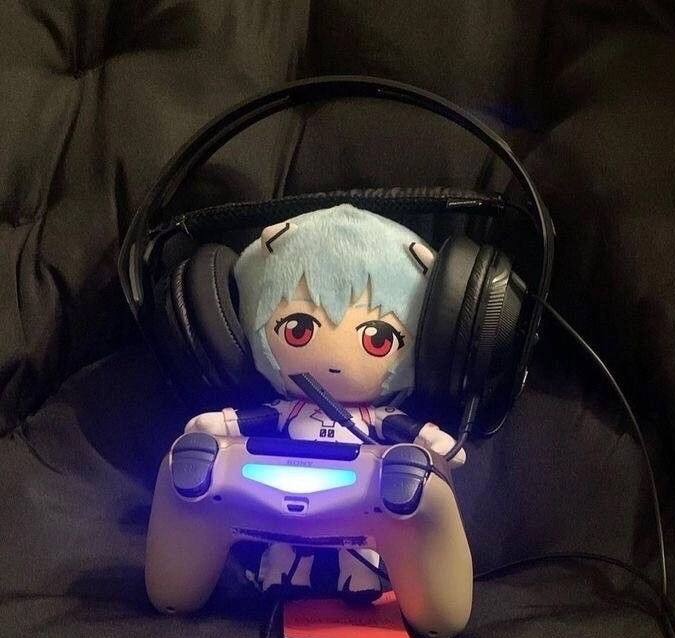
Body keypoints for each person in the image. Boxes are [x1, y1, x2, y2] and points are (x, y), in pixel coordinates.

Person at [184, 204, 466, 599]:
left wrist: (433, 442)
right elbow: (255, 419)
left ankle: (358, 578)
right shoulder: (294, 408)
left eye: (377, 340)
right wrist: (219, 425)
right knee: (284, 540)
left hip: (360, 505)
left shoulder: (373, 415)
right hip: (279, 499)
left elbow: (406, 430)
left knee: (362, 540)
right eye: (298, 330)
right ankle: (283, 576)